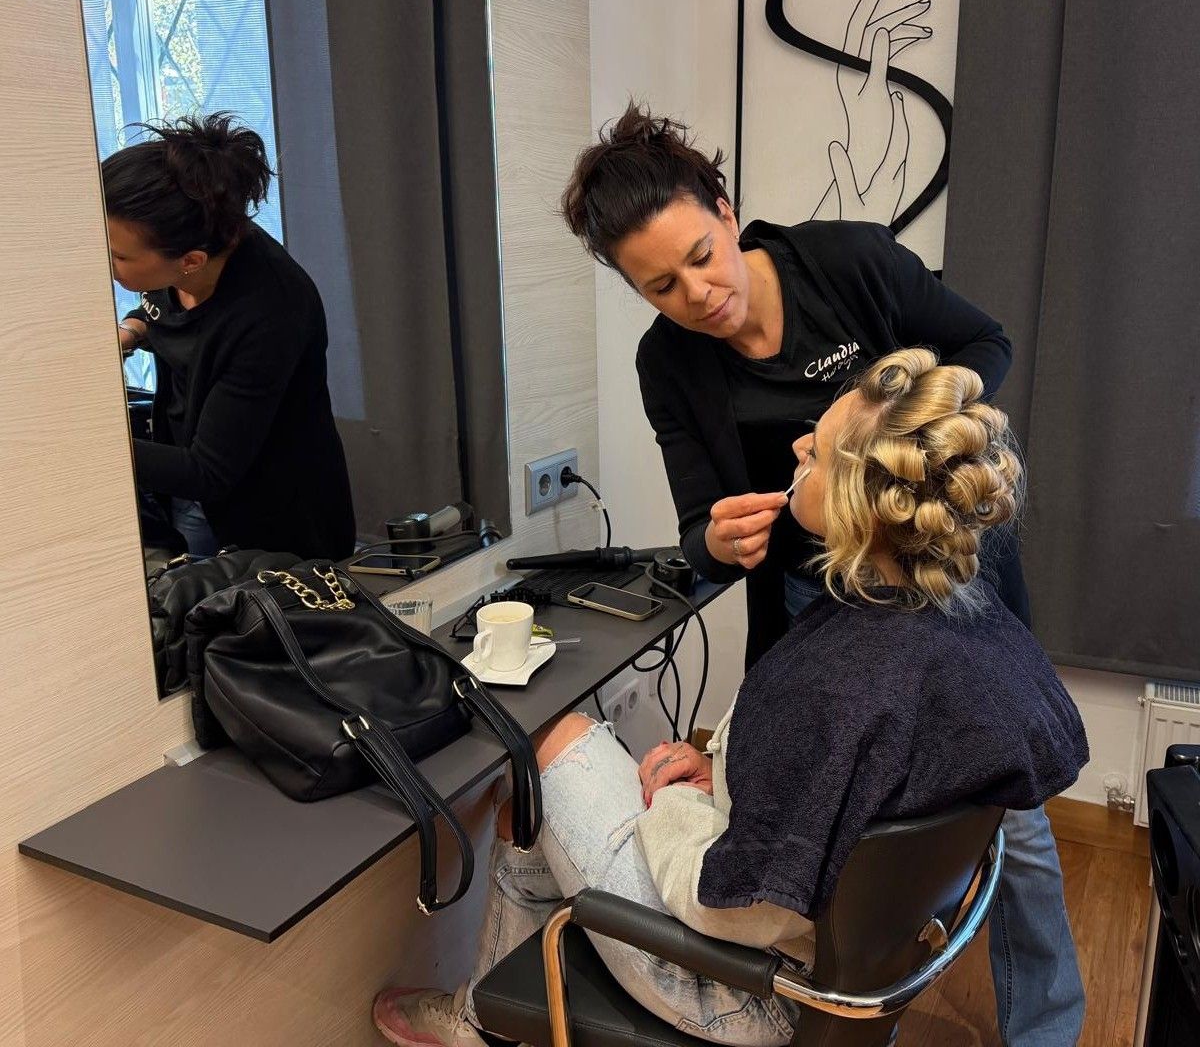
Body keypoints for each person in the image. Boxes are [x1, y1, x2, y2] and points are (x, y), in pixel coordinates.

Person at [371, 349, 1088, 1047]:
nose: (800, 442)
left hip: (751, 991)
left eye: (818, 449)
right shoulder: (974, 630)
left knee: (549, 747)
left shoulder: (843, 683)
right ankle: (484, 1018)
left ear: (856, 502)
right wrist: (723, 772)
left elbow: (727, 912)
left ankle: (475, 1024)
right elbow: (853, 782)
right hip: (854, 963)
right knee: (522, 817)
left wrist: (675, 808)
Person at [557, 106, 1082, 1045]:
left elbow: (985, 346)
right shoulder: (668, 366)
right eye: (661, 286)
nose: (697, 294)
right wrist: (719, 543)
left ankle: (1046, 1026)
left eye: (702, 257)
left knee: (1007, 804)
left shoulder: (847, 264)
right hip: (817, 603)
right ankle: (825, 969)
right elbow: (697, 533)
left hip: (939, 574)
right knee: (823, 769)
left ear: (726, 208)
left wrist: (882, 409)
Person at [106, 112, 355, 560]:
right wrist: (133, 330)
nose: (105, 263)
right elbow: (163, 309)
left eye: (117, 257)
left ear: (191, 262)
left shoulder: (271, 311)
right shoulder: (196, 232)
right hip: (186, 482)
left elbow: (209, 471)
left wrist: (94, 447)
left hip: (270, 524)